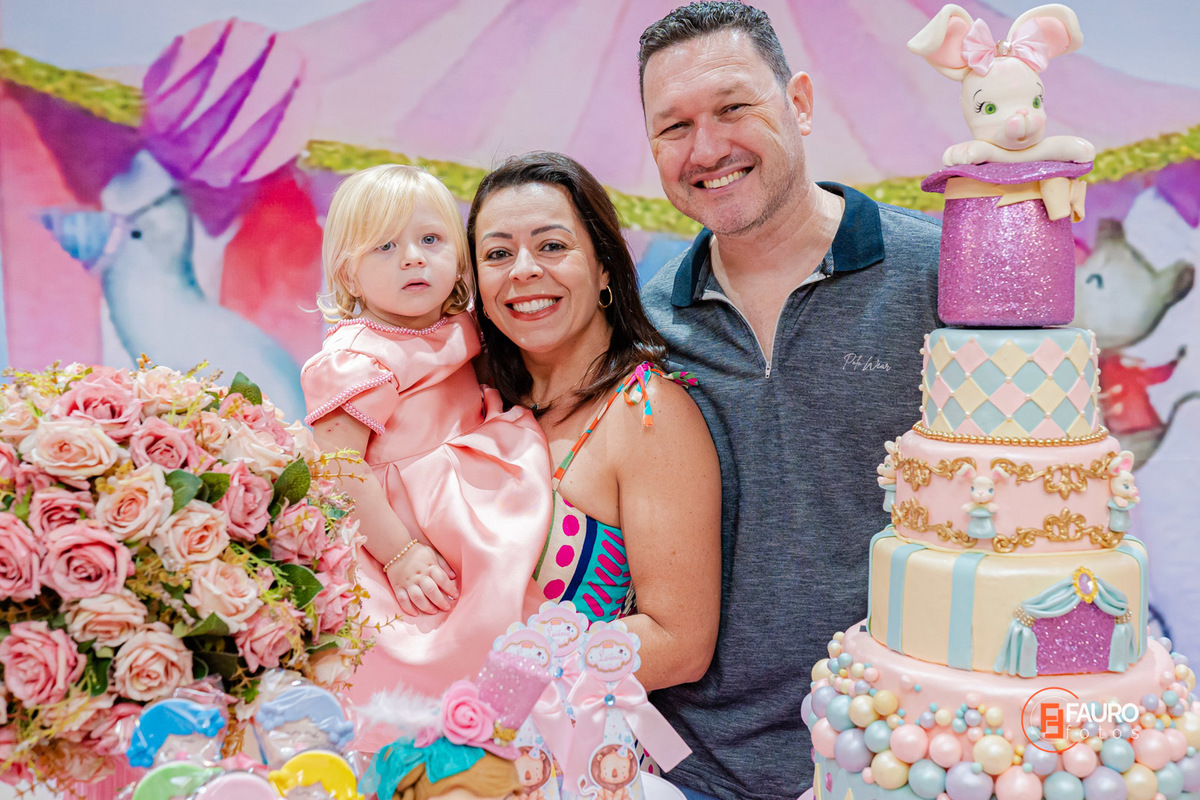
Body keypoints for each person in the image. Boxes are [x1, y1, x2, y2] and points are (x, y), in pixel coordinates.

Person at [636, 3, 942, 799]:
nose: (707, 149)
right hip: (693, 770)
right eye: (674, 126)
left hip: (906, 758)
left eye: (733, 107)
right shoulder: (646, 328)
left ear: (798, 102)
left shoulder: (939, 277)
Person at [300, 165, 553, 745]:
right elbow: (339, 470)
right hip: (399, 530)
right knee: (419, 637)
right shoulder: (358, 357)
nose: (413, 258)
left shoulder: (465, 328)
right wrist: (400, 554)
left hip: (476, 512)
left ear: (459, 258)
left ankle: (512, 729)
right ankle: (425, 741)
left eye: (431, 239)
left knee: (502, 610)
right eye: (385, 247)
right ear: (349, 272)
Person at [467, 151, 721, 692]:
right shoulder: (472, 399)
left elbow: (679, 644)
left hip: (564, 734)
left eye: (552, 246)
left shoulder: (646, 412)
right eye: (497, 254)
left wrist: (494, 687)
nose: (524, 270)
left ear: (605, 266)